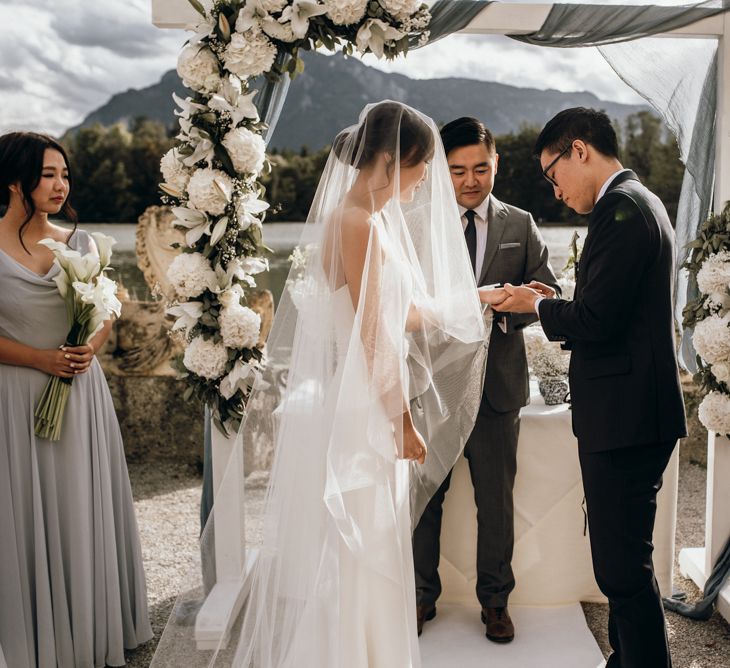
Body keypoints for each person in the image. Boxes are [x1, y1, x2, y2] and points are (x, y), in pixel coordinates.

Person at [151, 101, 488, 667]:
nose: (427, 177)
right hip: (366, 401)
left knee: (367, 542)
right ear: (388, 159)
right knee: (363, 544)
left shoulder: (366, 220)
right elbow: (374, 338)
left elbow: (397, 314)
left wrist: (473, 299)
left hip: (365, 392)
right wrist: (401, 419)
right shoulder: (358, 224)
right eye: (421, 165)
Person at [495, 107, 687, 667]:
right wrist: (553, 300)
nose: (554, 191)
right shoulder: (633, 203)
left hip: (627, 419)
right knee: (623, 564)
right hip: (632, 413)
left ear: (578, 150)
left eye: (553, 174)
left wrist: (539, 305)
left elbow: (599, 321)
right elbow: (610, 307)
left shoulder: (622, 209)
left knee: (622, 570)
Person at [0, 131, 152, 667]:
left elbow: (105, 310)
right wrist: (39, 359)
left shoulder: (81, 245)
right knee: (22, 512)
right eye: (48, 174)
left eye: (65, 174)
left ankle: (87, 630)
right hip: (15, 396)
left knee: (77, 506)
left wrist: (85, 348)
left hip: (78, 394)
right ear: (15, 181)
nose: (61, 184)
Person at [412, 117, 559, 642]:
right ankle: (419, 597)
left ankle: (496, 602)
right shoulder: (420, 225)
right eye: (457, 171)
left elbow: (549, 294)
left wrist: (507, 309)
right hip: (435, 386)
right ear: (440, 173)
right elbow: (409, 304)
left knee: (496, 504)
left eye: (479, 168)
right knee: (426, 498)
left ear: (495, 164)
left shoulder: (520, 224)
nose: (470, 180)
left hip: (497, 388)